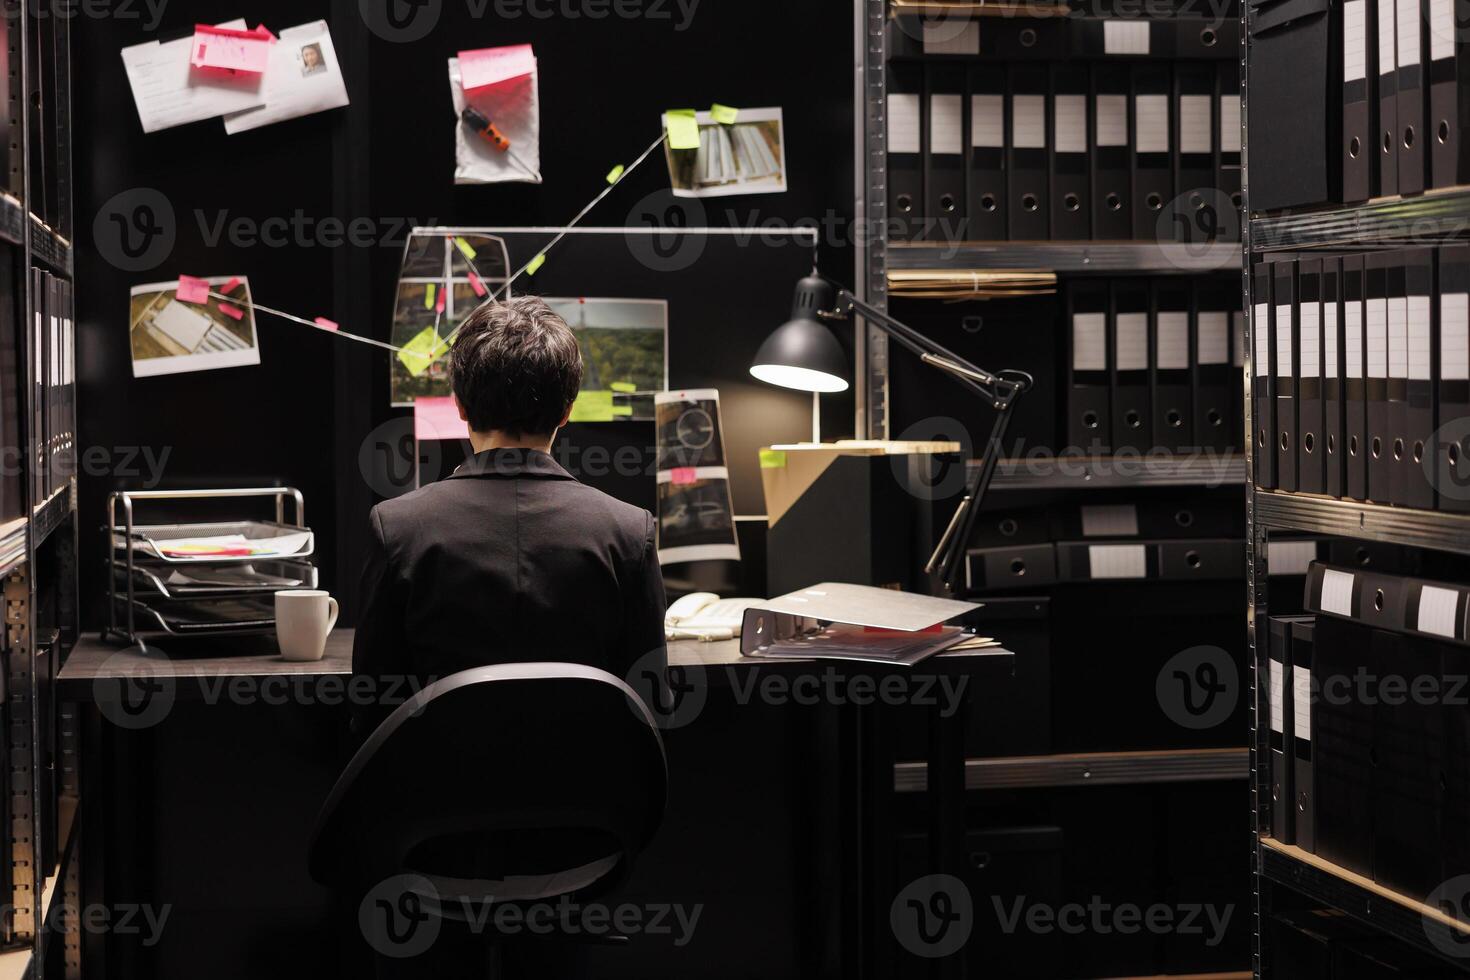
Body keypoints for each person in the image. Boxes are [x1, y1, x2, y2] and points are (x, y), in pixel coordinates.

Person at [351, 296, 668, 728]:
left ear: (459, 405)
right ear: (566, 411)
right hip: (590, 790)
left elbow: (371, 708)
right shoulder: (631, 531)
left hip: (439, 789)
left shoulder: (397, 528)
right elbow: (651, 703)